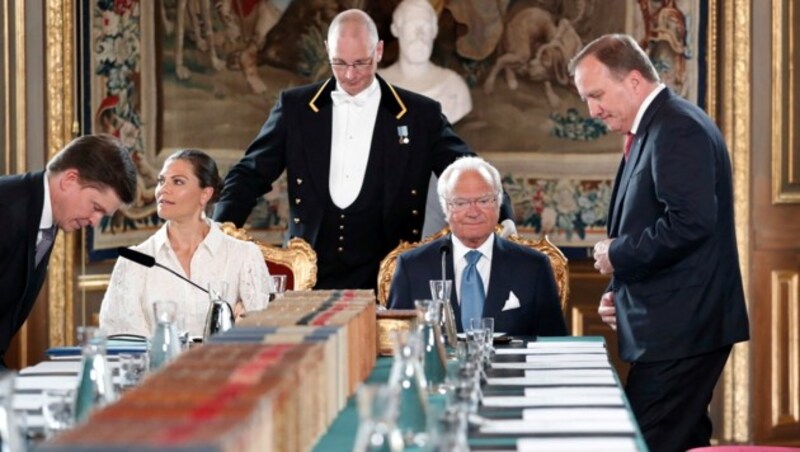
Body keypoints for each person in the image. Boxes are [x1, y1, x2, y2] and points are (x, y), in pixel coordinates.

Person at [213, 9, 514, 291]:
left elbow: (468, 168)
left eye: (361, 63)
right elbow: (250, 173)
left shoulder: (419, 114)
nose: (350, 75)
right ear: (327, 51)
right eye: (339, 63)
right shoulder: (296, 109)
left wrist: (503, 217)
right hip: (309, 274)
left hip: (389, 276)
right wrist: (219, 230)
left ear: (379, 51)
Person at [569, 34, 749, 452]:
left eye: (596, 95)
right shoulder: (656, 126)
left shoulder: (677, 127)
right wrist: (620, 294)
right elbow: (650, 223)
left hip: (681, 330)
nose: (592, 110)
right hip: (675, 326)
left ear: (633, 81)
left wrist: (616, 255)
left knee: (644, 444)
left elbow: (689, 223)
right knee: (682, 439)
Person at [0, 134, 138, 369]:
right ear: (69, 180)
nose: (95, 222)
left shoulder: (46, 217)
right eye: (96, 208)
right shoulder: (6, 207)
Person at [387, 157, 566, 337]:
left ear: (498, 203)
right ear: (445, 208)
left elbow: (553, 346)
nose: (473, 212)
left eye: (483, 200)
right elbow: (393, 344)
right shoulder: (412, 267)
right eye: (461, 203)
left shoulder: (534, 267)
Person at [100, 149, 271, 338]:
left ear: (205, 194)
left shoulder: (244, 256)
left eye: (178, 181)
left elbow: (264, 332)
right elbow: (123, 340)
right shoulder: (134, 262)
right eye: (161, 181)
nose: (163, 189)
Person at [379, 0, 474, 237]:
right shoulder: (375, 87)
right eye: (413, 25)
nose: (420, 34)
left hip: (435, 206)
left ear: (434, 31)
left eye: (425, 25)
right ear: (396, 29)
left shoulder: (454, 88)